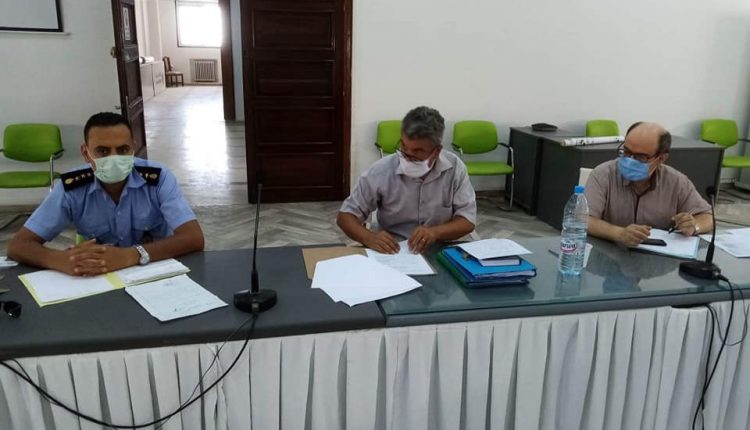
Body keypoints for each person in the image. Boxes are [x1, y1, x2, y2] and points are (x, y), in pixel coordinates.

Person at [7, 112, 204, 276]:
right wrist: (60, 260)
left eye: (123, 149)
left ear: (133, 148)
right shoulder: (72, 188)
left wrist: (131, 255)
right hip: (99, 276)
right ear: (86, 153)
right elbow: (18, 245)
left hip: (154, 269)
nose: (114, 158)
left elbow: (193, 237)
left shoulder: (158, 179)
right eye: (102, 151)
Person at [337, 106, 477, 254]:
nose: (407, 156)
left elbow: (467, 220)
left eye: (418, 151)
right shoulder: (381, 171)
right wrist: (369, 238)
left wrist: (435, 232)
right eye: (403, 146)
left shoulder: (454, 169)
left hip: (440, 247)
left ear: (436, 151)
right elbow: (345, 216)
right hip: (393, 249)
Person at [585, 121, 712, 247]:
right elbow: (583, 219)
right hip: (610, 251)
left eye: (641, 157)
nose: (630, 161)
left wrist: (694, 225)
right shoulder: (603, 175)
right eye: (626, 152)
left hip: (659, 255)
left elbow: (708, 217)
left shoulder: (676, 181)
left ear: (661, 158)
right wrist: (619, 234)